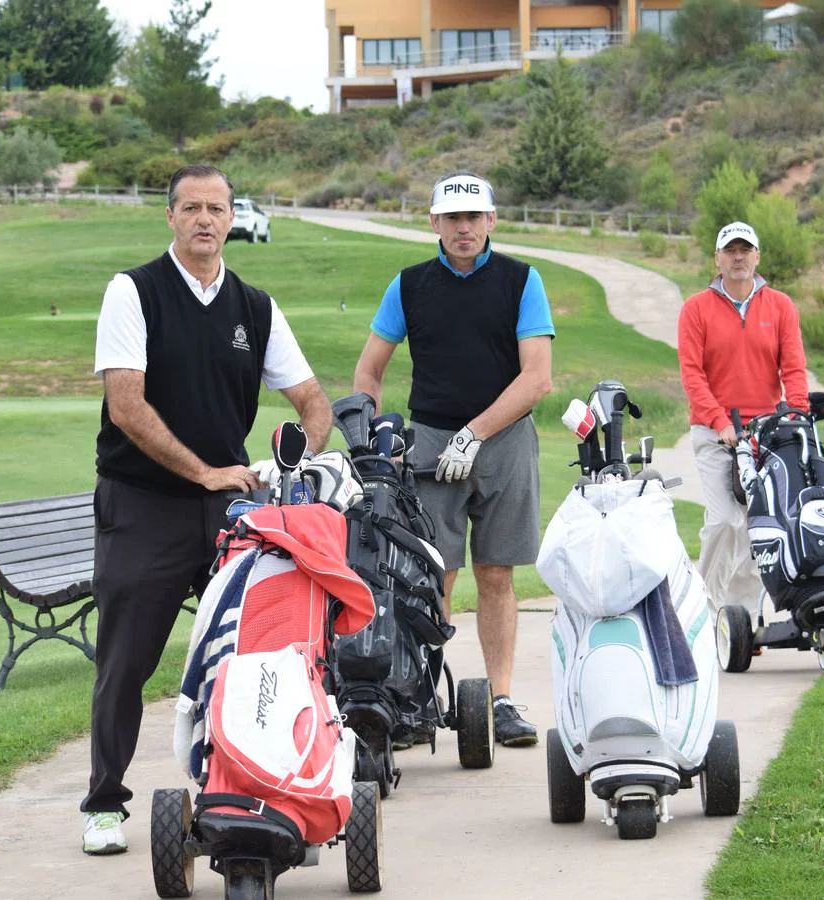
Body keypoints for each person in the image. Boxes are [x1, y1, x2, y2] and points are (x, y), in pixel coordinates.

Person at [82, 164, 332, 856]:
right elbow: (126, 406)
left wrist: (289, 464)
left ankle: (264, 790)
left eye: (215, 208)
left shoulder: (255, 307)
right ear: (170, 217)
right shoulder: (133, 292)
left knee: (257, 657)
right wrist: (203, 471)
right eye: (190, 207)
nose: (203, 219)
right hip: (143, 505)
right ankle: (105, 804)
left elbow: (314, 404)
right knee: (126, 661)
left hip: (229, 511)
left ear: (231, 219)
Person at [352, 171, 554, 748]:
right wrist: (371, 437)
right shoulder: (410, 285)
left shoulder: (521, 281)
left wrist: (476, 433)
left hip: (505, 441)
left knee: (496, 573)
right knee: (430, 575)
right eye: (452, 218)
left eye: (473, 218)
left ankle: (501, 699)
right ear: (434, 222)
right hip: (430, 446)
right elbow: (370, 369)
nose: (463, 228)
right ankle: (421, 695)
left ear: (491, 221)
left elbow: (536, 378)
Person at [677, 221, 808, 621]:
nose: (738, 257)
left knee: (760, 528)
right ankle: (702, 606)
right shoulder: (696, 309)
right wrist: (719, 421)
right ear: (717, 259)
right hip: (715, 433)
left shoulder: (780, 306)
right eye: (730, 250)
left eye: (745, 250)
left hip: (766, 434)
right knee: (723, 522)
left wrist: (798, 415)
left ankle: (743, 618)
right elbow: (692, 374)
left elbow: (794, 368)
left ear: (757, 257)